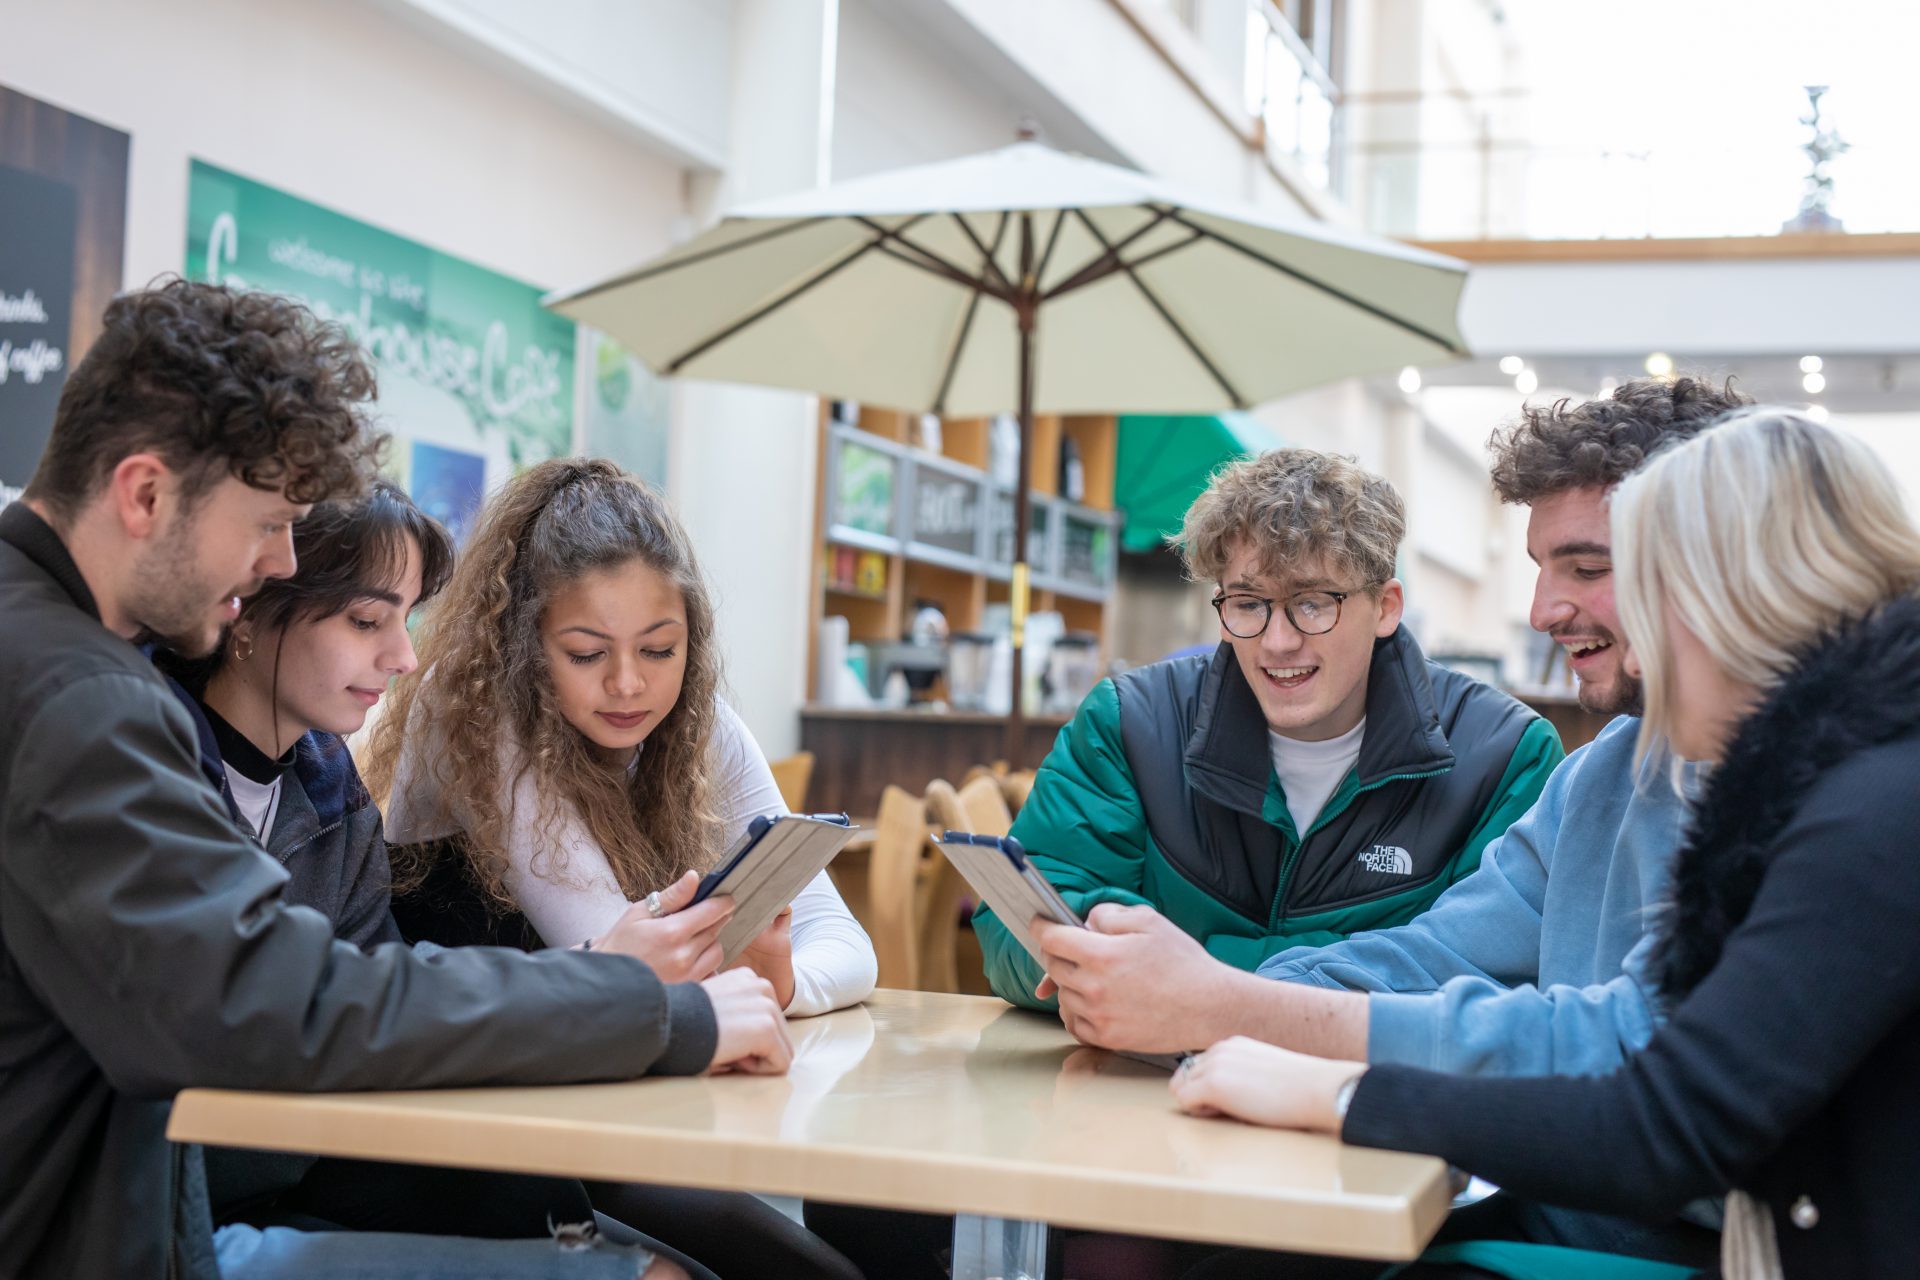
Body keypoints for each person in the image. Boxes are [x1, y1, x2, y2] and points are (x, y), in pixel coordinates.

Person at [0, 278, 792, 1280]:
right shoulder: (80, 697)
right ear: (145, 494)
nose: (279, 559)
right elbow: (280, 997)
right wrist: (653, 1006)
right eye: (267, 523)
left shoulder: (54, 658)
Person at [1171, 408, 1920, 1280]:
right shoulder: (1738, 774)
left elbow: (1661, 1114)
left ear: (1744, 591)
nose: (1549, 613)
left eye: (1632, 580)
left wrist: (1323, 1080)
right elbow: (1447, 954)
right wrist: (1232, 1005)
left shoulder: (1868, 811)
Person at [1030, 377, 1748, 1267]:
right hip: (1532, 1208)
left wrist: (1225, 1005)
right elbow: (1435, 953)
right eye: (1249, 603)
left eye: (1588, 569)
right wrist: (1200, 1001)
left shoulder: (1795, 782)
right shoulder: (1604, 769)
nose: (1540, 611)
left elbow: (1618, 1045)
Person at [370, 457, 873, 1280]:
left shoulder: (697, 720)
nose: (629, 682)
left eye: (660, 648)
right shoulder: (483, 719)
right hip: (464, 1136)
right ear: (523, 644)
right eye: (585, 652)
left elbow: (845, 944)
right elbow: (630, 976)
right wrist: (724, 981)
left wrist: (779, 984)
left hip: (592, 1108)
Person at [151, 479, 641, 1248]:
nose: (404, 656)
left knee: (594, 1234)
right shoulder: (148, 769)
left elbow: (380, 990)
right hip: (173, 1211)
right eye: (366, 619)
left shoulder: (329, 787)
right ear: (250, 605)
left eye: (406, 619)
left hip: (307, 1166)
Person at [975, 448, 1562, 1005]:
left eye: (1312, 603)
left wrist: (1187, 975)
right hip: (1124, 1094)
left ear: (1385, 607)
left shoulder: (1505, 758)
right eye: (1249, 604)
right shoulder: (1127, 723)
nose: (1278, 643)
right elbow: (1013, 929)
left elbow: (1488, 977)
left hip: (1359, 1101)